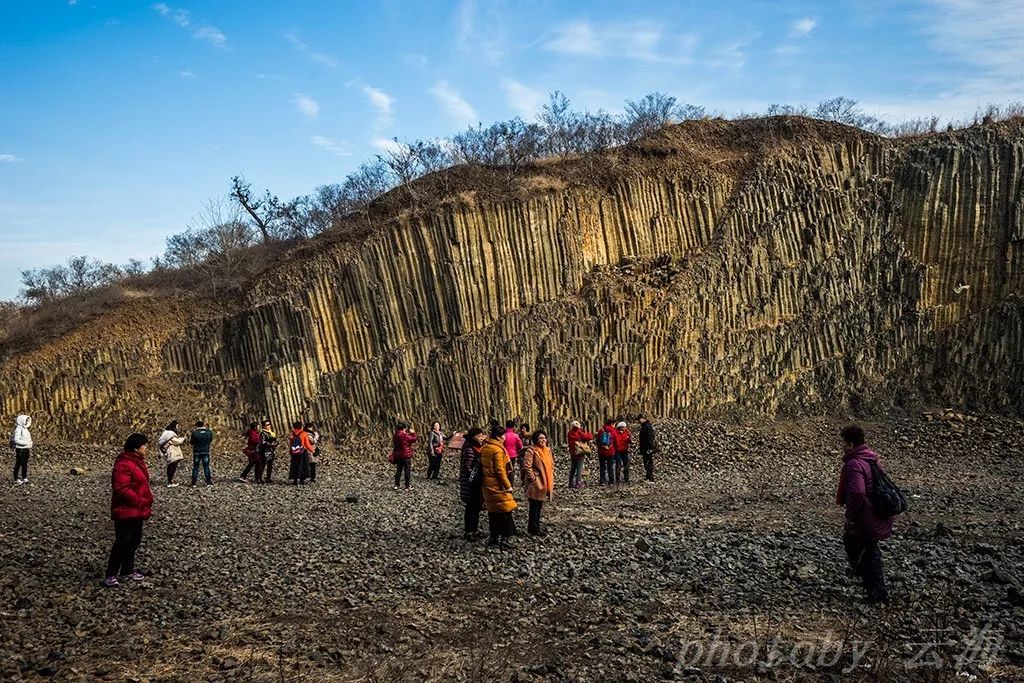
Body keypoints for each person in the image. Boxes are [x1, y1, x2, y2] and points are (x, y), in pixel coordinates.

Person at [836, 425, 893, 604]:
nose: (842, 446)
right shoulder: (872, 458)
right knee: (868, 549)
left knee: (861, 548)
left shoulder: (854, 463)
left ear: (851, 444)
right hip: (877, 512)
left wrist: (851, 517)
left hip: (865, 516)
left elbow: (857, 493)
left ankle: (876, 593)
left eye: (843, 442)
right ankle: (876, 590)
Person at [104, 433, 154, 587]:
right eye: (144, 446)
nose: (146, 448)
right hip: (126, 509)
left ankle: (127, 570)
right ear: (136, 447)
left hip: (136, 509)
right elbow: (121, 488)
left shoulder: (137, 462)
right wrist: (139, 500)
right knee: (123, 541)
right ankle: (111, 573)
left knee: (134, 540)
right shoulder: (124, 464)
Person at [482, 422, 517, 549]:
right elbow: (499, 470)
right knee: (505, 512)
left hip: (487, 485)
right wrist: (508, 485)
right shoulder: (497, 450)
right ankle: (504, 539)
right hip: (497, 486)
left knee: (493, 512)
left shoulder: (486, 447)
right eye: (503, 436)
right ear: (498, 436)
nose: (505, 438)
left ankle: (493, 538)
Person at [523, 430, 555, 536]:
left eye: (544, 438)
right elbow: (527, 466)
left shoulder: (548, 450)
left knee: (539, 506)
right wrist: (533, 478)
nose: (543, 440)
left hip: (545, 480)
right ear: (536, 439)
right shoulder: (531, 451)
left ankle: (535, 527)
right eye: (540, 438)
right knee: (534, 506)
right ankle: (533, 529)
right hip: (537, 482)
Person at [458, 427, 486, 540]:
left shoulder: (476, 448)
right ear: (473, 437)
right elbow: (467, 467)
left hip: (475, 482)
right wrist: (475, 477)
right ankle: (469, 532)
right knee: (471, 507)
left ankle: (474, 530)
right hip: (471, 484)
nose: (481, 438)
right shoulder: (470, 449)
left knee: (476, 507)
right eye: (479, 436)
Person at [157, 421, 186, 487]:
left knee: (170, 466)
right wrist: (183, 438)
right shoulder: (171, 434)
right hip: (173, 452)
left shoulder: (166, 434)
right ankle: (170, 482)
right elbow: (177, 441)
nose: (178, 428)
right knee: (172, 467)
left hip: (169, 452)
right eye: (177, 426)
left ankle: (170, 481)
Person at [389, 422, 417, 490]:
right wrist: (413, 433)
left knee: (399, 470)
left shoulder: (395, 435)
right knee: (407, 471)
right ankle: (407, 486)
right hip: (406, 455)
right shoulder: (405, 435)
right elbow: (414, 439)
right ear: (404, 428)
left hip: (398, 455)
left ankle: (396, 485)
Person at [566, 421, 594, 488]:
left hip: (572, 453)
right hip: (580, 453)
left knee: (573, 468)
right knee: (579, 468)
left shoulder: (569, 433)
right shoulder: (579, 432)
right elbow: (589, 437)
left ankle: (570, 483)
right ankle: (578, 483)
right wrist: (585, 432)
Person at [189, 420, 215, 487]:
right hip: (205, 451)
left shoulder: (194, 433)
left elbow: (191, 442)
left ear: (197, 425)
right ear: (203, 425)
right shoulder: (208, 432)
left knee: (195, 467)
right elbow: (210, 440)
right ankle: (208, 482)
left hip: (197, 451)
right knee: (206, 466)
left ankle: (194, 483)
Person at [10, 414, 33, 485]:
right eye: (25, 420)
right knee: (18, 463)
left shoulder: (25, 429)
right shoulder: (19, 429)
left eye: (27, 420)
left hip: (26, 449)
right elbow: (16, 439)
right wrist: (25, 443)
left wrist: (30, 444)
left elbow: (28, 438)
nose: (26, 422)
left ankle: (24, 477)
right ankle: (16, 478)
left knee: (24, 464)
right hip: (20, 449)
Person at [638, 415, 658, 482]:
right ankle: (648, 476)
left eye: (639, 419)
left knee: (648, 462)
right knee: (646, 462)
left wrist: (650, 448)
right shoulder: (644, 426)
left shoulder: (647, 426)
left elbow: (650, 438)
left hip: (647, 448)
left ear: (643, 419)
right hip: (644, 448)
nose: (638, 421)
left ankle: (650, 478)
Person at [597, 419, 616, 485]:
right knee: (610, 467)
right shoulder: (613, 431)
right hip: (610, 451)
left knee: (602, 467)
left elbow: (597, 441)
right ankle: (611, 481)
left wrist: (600, 447)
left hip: (601, 452)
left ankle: (602, 481)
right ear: (612, 424)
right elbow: (615, 441)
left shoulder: (601, 430)